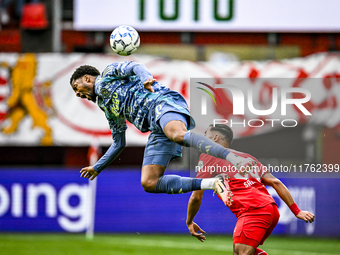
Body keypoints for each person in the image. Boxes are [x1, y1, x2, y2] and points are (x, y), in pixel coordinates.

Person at [69, 61, 253, 202]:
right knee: (149, 182)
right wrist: (97, 167)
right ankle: (214, 183)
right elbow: (119, 142)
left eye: (76, 88)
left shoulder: (109, 74)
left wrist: (146, 78)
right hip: (155, 126)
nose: (78, 94)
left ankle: (234, 158)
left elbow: (134, 66)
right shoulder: (107, 107)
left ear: (87, 79)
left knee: (178, 135)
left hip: (162, 103)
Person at [186, 124, 315, 255]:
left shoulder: (209, 155)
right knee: (244, 251)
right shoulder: (247, 158)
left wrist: (190, 221)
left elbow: (196, 196)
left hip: (253, 211)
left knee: (241, 252)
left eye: (205, 135)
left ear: (215, 138)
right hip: (271, 211)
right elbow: (275, 182)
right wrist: (296, 211)